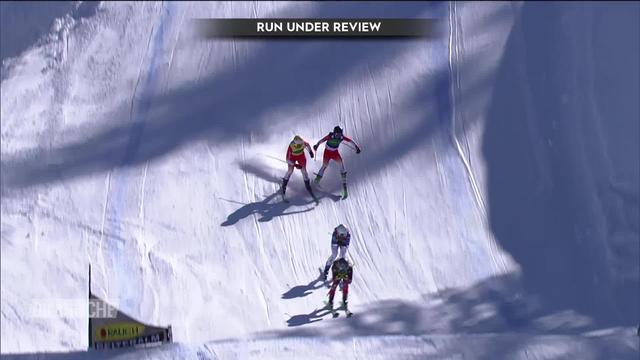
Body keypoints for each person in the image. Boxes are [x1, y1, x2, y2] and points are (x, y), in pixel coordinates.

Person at [312, 126, 361, 199]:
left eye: (339, 135)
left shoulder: (341, 137)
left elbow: (350, 141)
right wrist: (317, 145)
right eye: (337, 134)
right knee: (325, 165)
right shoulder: (330, 136)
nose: (338, 136)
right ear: (334, 133)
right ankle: (316, 180)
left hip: (335, 153)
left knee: (342, 165)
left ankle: (344, 187)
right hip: (327, 153)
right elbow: (322, 140)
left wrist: (357, 147)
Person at [282, 135, 318, 203]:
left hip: (301, 156)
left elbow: (308, 145)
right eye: (300, 144)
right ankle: (284, 185)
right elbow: (287, 159)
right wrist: (295, 165)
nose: (301, 144)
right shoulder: (291, 146)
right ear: (295, 144)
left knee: (304, 171)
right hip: (292, 158)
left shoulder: (302, 142)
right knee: (290, 171)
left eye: (301, 143)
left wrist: (310, 152)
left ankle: (307, 185)